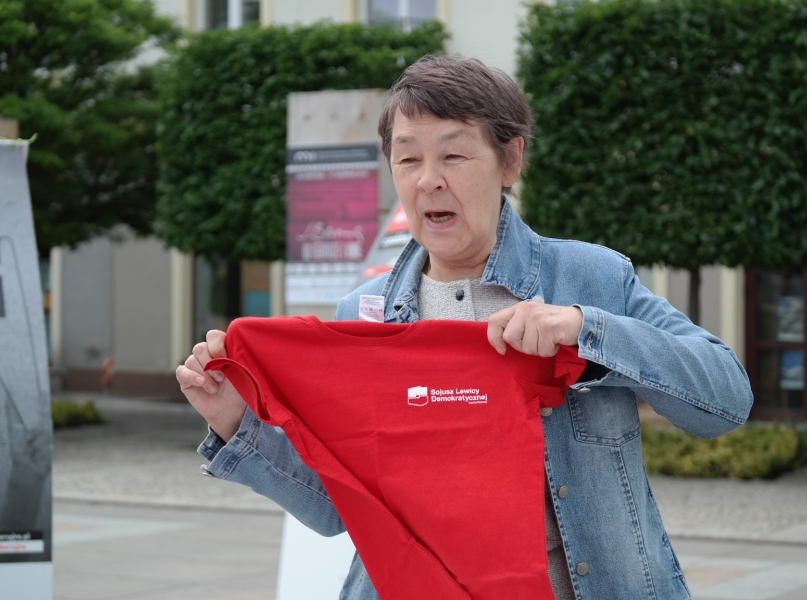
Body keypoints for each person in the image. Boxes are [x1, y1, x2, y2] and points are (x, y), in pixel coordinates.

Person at [176, 56, 753, 600]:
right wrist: (236, 423)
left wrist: (588, 330)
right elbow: (335, 509)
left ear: (511, 161)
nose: (429, 180)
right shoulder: (365, 316)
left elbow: (726, 400)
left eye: (453, 155)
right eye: (408, 159)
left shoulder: (592, 278)